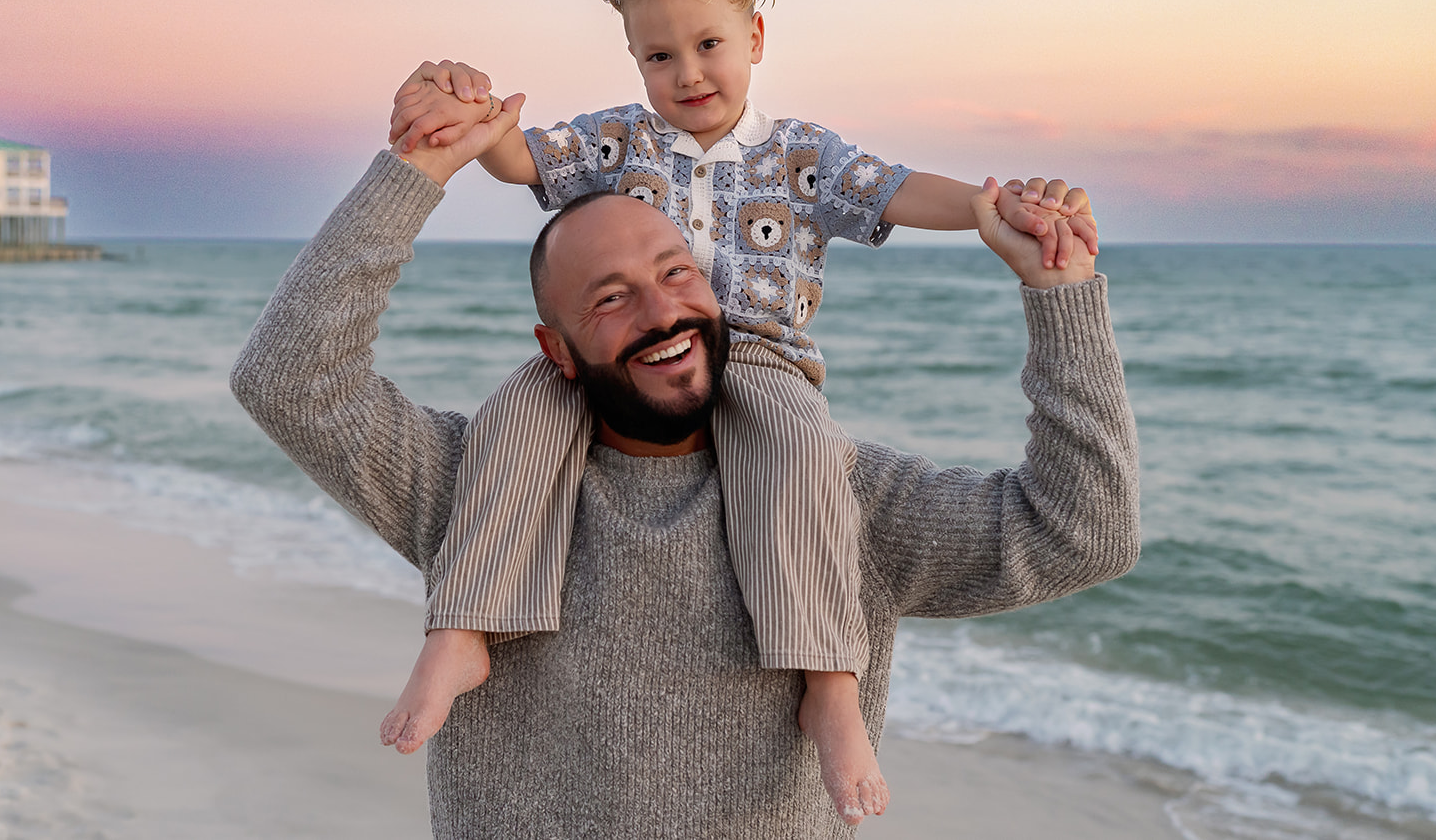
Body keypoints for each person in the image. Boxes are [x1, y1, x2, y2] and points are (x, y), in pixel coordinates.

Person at [229, 101, 1140, 839]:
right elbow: (288, 379)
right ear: (557, 348)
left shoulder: (835, 496)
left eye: (677, 273)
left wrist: (1057, 292)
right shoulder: (480, 490)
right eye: (612, 298)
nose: (663, 313)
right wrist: (417, 167)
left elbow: (1083, 532)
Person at [378, 0, 1098, 822]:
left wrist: (996, 210)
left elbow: (899, 189)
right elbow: (522, 159)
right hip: (629, 365)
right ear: (635, 60)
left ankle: (831, 680)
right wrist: (471, 117)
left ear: (754, 36)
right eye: (659, 55)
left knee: (805, 461)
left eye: (708, 43)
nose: (687, 73)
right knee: (509, 427)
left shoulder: (803, 157)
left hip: (761, 362)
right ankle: (465, 626)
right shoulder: (616, 143)